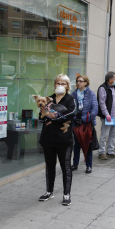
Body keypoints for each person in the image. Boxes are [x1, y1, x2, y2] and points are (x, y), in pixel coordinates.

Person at [38, 74, 77, 205]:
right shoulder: (48, 99)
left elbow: (71, 114)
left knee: (65, 166)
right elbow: (41, 116)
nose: (60, 86)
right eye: (58, 83)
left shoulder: (71, 99)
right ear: (54, 84)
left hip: (64, 140)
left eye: (63, 83)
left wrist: (53, 119)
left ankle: (67, 194)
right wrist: (48, 116)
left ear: (67, 86)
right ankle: (49, 191)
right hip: (48, 138)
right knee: (49, 166)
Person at [71, 75, 98, 173]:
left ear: (86, 83)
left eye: (81, 81)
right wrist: (75, 118)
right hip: (76, 124)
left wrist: (83, 119)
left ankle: (89, 165)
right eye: (77, 81)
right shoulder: (73, 94)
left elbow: (95, 109)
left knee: (87, 145)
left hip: (87, 124)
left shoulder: (91, 94)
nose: (79, 83)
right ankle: (75, 164)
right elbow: (70, 109)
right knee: (76, 145)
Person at [97, 71, 115, 160]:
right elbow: (102, 103)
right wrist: (106, 114)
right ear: (110, 79)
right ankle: (101, 152)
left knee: (113, 134)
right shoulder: (103, 88)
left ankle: (110, 151)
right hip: (108, 116)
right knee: (104, 134)